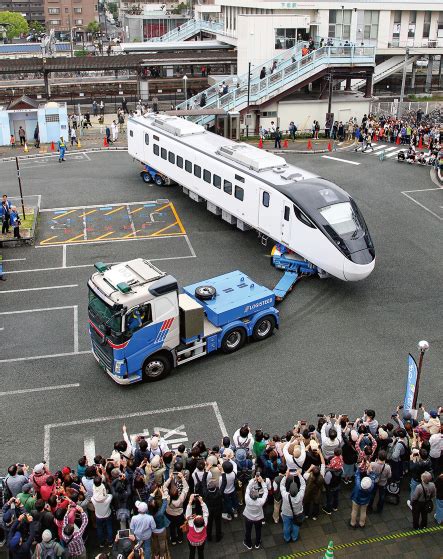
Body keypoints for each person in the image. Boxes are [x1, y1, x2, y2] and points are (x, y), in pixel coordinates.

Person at [280, 470, 306, 543]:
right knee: (296, 526)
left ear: (289, 491)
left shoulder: (285, 495)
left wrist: (286, 475)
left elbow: (281, 485)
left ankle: (287, 538)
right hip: (297, 514)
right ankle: (294, 537)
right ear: (297, 490)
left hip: (286, 514)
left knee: (286, 526)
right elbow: (303, 485)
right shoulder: (300, 495)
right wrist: (299, 475)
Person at [243, 475, 268, 550]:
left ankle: (249, 544)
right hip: (258, 518)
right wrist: (263, 482)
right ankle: (257, 543)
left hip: (248, 518)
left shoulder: (247, 499)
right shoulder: (260, 501)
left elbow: (247, 488)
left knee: (248, 531)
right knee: (258, 531)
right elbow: (265, 492)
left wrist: (253, 480)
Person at [201, 465, 222, 542]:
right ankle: (218, 537)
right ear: (216, 487)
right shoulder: (219, 493)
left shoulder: (205, 492)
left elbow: (203, 481)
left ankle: (209, 537)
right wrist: (222, 471)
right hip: (217, 509)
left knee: (209, 523)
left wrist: (206, 470)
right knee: (218, 523)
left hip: (209, 509)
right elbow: (224, 482)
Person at [185, 494, 209, 559]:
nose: (199, 515)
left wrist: (190, 501)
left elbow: (187, 515)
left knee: (191, 552)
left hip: (191, 541)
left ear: (194, 522)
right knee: (201, 552)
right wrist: (202, 502)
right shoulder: (205, 524)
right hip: (201, 541)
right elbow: (206, 513)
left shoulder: (191, 524)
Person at [92, 478, 113, 549]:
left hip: (98, 516)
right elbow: (109, 494)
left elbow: (94, 490)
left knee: (99, 529)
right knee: (109, 527)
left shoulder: (93, 499)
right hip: (107, 514)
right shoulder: (109, 498)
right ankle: (110, 542)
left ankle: (101, 543)